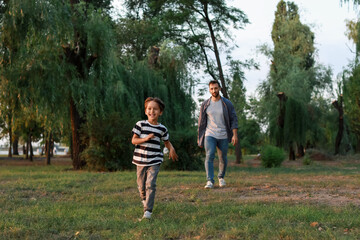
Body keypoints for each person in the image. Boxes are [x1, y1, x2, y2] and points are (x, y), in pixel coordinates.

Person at [131, 97, 178, 220]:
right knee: (141, 185)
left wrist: (171, 149)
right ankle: (144, 199)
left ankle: (148, 211)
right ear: (146, 111)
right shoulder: (140, 124)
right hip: (140, 160)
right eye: (149, 109)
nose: (152, 111)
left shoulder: (162, 129)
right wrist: (145, 139)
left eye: (155, 109)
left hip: (155, 160)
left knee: (150, 184)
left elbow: (167, 142)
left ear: (160, 112)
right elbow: (134, 140)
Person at [197, 80, 238, 189]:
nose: (214, 90)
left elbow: (234, 119)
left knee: (223, 158)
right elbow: (201, 123)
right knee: (209, 155)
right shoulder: (205, 104)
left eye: (216, 88)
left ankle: (221, 177)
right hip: (210, 134)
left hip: (223, 135)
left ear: (219, 88)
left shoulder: (227, 103)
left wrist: (234, 135)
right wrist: (200, 138)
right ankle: (210, 180)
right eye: (211, 88)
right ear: (209, 90)